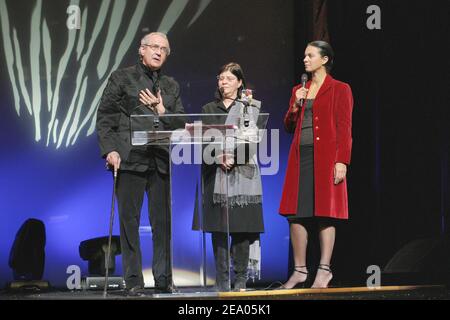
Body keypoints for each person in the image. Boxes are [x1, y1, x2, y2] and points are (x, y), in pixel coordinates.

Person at [96, 32, 185, 295]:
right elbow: (106, 117)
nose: (159, 52)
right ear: (141, 50)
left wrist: (161, 109)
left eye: (164, 49)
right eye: (154, 47)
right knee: (129, 222)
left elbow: (180, 122)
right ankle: (133, 280)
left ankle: (164, 278)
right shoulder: (122, 78)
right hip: (129, 158)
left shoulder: (170, 86)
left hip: (159, 159)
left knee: (162, 223)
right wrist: (110, 150)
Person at [279, 41, 353, 289]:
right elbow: (289, 126)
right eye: (304, 56)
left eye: (310, 55)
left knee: (325, 213)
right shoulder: (299, 90)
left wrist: (342, 160)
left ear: (324, 59)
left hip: (326, 158)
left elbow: (345, 127)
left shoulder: (340, 89)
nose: (305, 59)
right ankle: (300, 270)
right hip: (301, 158)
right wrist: (295, 105)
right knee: (295, 213)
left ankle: (324, 270)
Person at [194, 62, 264, 291]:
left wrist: (236, 156)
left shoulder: (248, 107)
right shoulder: (208, 109)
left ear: (240, 82)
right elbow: (203, 140)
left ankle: (241, 279)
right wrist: (219, 157)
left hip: (243, 174)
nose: (223, 82)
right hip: (216, 174)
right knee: (219, 229)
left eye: (229, 78)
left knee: (242, 228)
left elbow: (254, 138)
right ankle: (222, 281)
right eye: (221, 78)